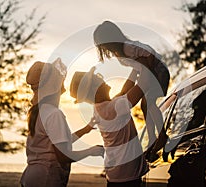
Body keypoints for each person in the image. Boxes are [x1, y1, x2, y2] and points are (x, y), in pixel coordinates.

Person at [20, 58, 104, 187]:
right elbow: (63, 156)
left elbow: (59, 142)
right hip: (46, 178)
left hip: (31, 176)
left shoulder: (39, 111)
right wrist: (92, 151)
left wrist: (86, 129)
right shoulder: (54, 114)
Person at [93, 20, 170, 160]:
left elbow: (148, 61)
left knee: (148, 103)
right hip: (149, 71)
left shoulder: (127, 48)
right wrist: (122, 94)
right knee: (145, 105)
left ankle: (162, 135)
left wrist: (140, 84)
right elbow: (135, 72)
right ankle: (153, 137)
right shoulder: (120, 52)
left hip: (157, 71)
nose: (103, 48)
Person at [69, 67, 149, 187]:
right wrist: (145, 65)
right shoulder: (113, 108)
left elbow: (123, 92)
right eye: (98, 79)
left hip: (118, 174)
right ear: (95, 89)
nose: (102, 79)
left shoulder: (102, 107)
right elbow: (142, 86)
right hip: (127, 175)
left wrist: (135, 70)